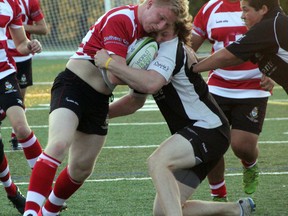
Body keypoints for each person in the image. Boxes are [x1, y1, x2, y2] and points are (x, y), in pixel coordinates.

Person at [23, 1, 189, 215]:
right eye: (160, 17)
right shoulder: (122, 19)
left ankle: (48, 212)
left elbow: (135, 101)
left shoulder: (151, 38)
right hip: (74, 85)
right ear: (149, 4)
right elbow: (114, 75)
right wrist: (145, 77)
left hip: (99, 100)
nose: (159, 25)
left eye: (166, 23)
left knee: (81, 169)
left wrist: (105, 112)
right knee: (59, 144)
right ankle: (30, 211)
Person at [94, 21, 256, 215]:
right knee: (163, 211)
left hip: (208, 129)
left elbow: (152, 83)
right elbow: (134, 101)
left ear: (177, 32)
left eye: (165, 33)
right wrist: (98, 114)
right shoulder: (153, 53)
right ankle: (235, 209)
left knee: (157, 162)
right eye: (155, 34)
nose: (160, 39)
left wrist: (109, 63)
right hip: (199, 135)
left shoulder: (172, 50)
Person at [191, 0, 275, 200]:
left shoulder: (261, 5)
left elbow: (280, 41)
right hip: (218, 86)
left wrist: (274, 72)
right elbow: (187, 46)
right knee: (211, 143)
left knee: (242, 146)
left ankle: (250, 164)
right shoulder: (210, 8)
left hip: (254, 89)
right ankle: (219, 195)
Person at [191, 0, 288, 94]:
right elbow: (238, 57)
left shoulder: (268, 27)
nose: (242, 16)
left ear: (263, 9)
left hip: (252, 91)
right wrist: (195, 62)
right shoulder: (276, 21)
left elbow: (228, 56)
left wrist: (192, 68)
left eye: (246, 10)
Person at [0, 0, 42, 214]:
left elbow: (20, 42)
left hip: (4, 72)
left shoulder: (12, 4)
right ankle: (12, 191)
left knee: (21, 128)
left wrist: (29, 45)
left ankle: (44, 188)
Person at [6, 0, 48, 151]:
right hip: (3, 57)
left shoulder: (28, 3)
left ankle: (15, 135)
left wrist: (17, 25)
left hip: (21, 57)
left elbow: (43, 29)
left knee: (19, 100)